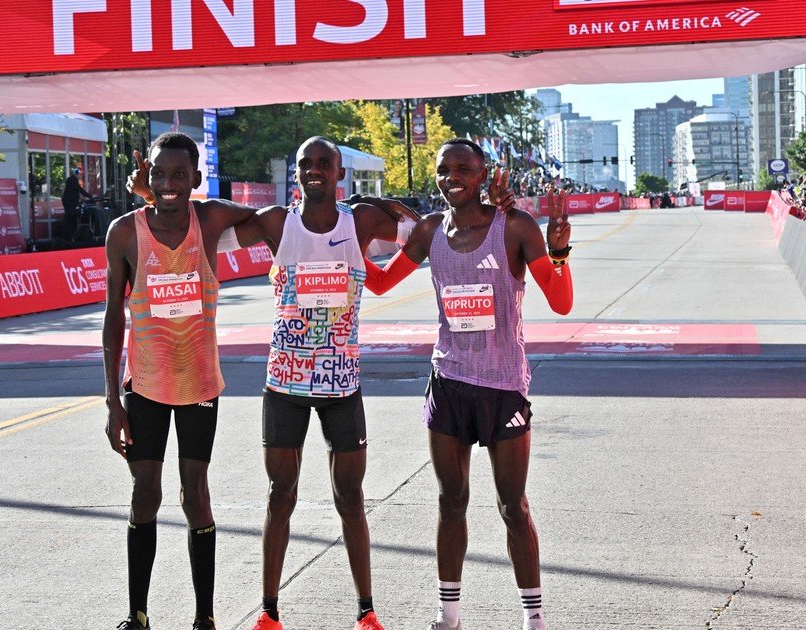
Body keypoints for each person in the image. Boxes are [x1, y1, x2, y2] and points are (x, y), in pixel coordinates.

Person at [360, 139, 573, 630]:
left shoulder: (514, 227)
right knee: (451, 501)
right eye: (443, 169)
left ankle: (534, 617)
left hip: (502, 387)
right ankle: (448, 615)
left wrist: (559, 253)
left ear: (483, 175)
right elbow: (380, 283)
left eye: (464, 168)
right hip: (449, 382)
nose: (451, 176)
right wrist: (342, 244)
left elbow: (560, 302)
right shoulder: (431, 229)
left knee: (512, 506)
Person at [219, 137, 416, 630]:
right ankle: (268, 612)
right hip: (284, 384)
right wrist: (158, 202)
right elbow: (213, 228)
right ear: (298, 174)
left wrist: (401, 208)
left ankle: (366, 611)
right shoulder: (276, 223)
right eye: (304, 163)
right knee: (280, 494)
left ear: (339, 173)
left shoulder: (360, 221)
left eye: (323, 164)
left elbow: (427, 233)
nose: (313, 170)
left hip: (342, 386)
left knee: (350, 498)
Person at [102, 132, 260, 630]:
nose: (168, 183)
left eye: (178, 174)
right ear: (145, 177)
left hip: (199, 385)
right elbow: (113, 319)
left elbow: (258, 216)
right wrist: (112, 401)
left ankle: (205, 617)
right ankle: (138, 614)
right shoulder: (124, 233)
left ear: (195, 178)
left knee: (195, 493)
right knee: (145, 491)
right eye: (158, 173)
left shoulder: (208, 219)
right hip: (144, 385)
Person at [63, 166, 93, 242]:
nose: (80, 176)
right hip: (70, 205)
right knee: (71, 220)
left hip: (71, 204)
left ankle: (70, 236)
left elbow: (76, 192)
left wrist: (83, 198)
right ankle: (69, 237)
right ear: (76, 174)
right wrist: (90, 197)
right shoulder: (72, 180)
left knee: (71, 220)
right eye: (79, 174)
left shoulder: (72, 180)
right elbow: (79, 189)